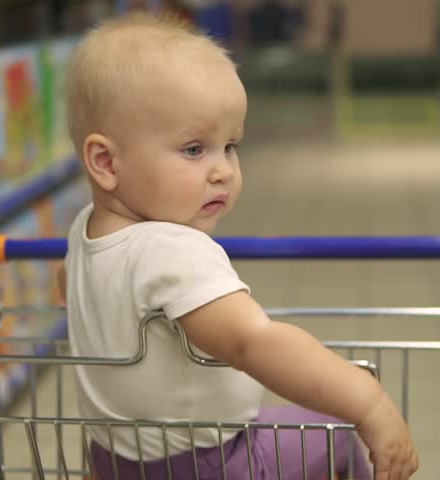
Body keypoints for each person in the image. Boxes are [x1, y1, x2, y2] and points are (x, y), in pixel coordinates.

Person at [59, 12, 418, 480]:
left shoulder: (84, 231)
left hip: (114, 461)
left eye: (230, 146)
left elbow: (69, 287)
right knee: (335, 431)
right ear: (105, 162)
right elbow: (254, 343)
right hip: (208, 467)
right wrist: (368, 401)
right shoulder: (173, 250)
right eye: (194, 149)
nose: (223, 170)